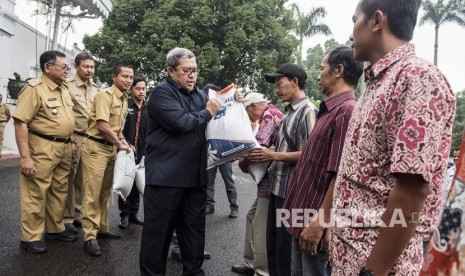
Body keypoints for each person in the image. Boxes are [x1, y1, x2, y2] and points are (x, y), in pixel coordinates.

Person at [327, 1, 456, 275]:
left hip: (375, 265)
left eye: (354, 21)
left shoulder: (417, 79)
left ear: (376, 21)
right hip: (349, 256)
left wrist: (373, 271)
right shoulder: (376, 84)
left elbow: (412, 190)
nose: (351, 34)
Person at [139, 47, 225, 276]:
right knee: (157, 240)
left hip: (195, 179)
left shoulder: (199, 95)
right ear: (170, 71)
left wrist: (231, 102)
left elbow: (217, 117)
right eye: (186, 71)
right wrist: (208, 112)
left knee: (194, 238)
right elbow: (183, 122)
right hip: (166, 179)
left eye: (195, 71)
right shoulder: (161, 93)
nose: (192, 75)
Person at [281, 46, 363, 276]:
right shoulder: (327, 110)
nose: (318, 75)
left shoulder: (346, 111)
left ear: (338, 70)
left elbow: (340, 173)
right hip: (301, 217)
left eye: (321, 68)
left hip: (313, 222)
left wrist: (320, 222)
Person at [247, 63, 318, 276]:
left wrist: (273, 155)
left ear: (294, 82)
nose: (276, 89)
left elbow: (310, 155)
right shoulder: (287, 114)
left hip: (292, 194)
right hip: (277, 190)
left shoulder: (308, 112)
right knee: (275, 250)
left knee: (287, 255)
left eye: (280, 83)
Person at [13, 50, 77, 253]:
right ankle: (30, 237)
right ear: (48, 67)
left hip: (64, 147)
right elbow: (20, 122)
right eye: (63, 67)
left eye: (68, 67)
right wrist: (25, 157)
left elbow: (67, 120)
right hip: (42, 146)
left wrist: (72, 142)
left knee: (59, 191)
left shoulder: (63, 89)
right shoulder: (34, 89)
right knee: (35, 192)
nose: (67, 71)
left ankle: (54, 228)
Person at [81, 63, 133, 256]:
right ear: (114, 77)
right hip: (95, 148)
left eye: (130, 77)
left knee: (104, 192)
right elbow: (102, 126)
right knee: (92, 193)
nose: (128, 80)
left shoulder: (124, 99)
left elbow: (116, 129)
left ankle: (101, 228)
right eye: (124, 77)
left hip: (110, 149)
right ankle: (89, 236)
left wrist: (123, 142)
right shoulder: (105, 95)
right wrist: (120, 145)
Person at [232, 92, 283, 276]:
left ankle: (261, 271)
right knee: (251, 217)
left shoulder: (269, 116)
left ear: (253, 106)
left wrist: (238, 154)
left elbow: (258, 145)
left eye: (246, 111)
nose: (247, 115)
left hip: (271, 184)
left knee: (260, 228)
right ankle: (251, 263)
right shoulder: (270, 114)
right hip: (268, 184)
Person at [63, 52, 99, 234]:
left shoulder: (96, 89)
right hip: (73, 138)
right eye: (86, 66)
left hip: (90, 139)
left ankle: (77, 214)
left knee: (83, 180)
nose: (90, 70)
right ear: (76, 67)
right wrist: (70, 141)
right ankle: (66, 218)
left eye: (92, 67)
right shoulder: (67, 86)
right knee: (69, 179)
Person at [204, 83, 239, 218]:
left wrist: (233, 151)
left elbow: (231, 128)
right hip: (210, 151)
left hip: (224, 151)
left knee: (229, 181)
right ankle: (209, 205)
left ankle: (234, 206)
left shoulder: (226, 109)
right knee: (209, 181)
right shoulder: (205, 110)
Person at [118, 77, 147, 229]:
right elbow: (119, 129)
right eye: (138, 88)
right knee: (125, 183)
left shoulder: (149, 109)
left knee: (138, 184)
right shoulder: (125, 106)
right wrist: (127, 145)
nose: (141, 92)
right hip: (126, 151)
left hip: (143, 153)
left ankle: (134, 214)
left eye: (143, 88)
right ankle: (124, 215)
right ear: (131, 90)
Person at [0, 94, 11, 158]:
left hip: (1, 123)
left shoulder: (5, 106)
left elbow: (9, 115)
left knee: (0, 138)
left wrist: (5, 122)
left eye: (0, 99)